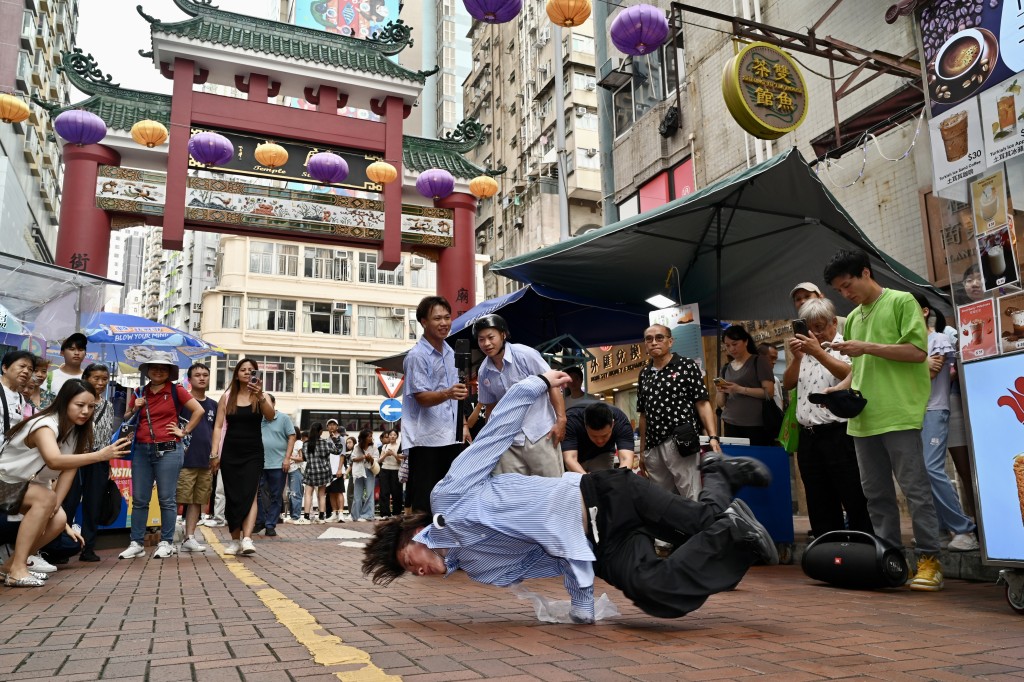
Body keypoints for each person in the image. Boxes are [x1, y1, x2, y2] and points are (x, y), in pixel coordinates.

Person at [362, 371, 778, 623]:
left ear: (411, 538)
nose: (417, 573)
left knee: (699, 524)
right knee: (655, 594)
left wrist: (535, 385)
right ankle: (726, 504)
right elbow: (549, 554)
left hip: (603, 495)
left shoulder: (448, 498)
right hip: (599, 542)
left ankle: (721, 491)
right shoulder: (477, 567)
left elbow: (494, 436)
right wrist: (581, 605)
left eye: (406, 563)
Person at [824, 249, 944, 591]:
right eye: (840, 291)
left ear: (866, 273)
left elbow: (918, 353)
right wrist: (840, 389)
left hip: (900, 413)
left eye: (848, 285)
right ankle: (891, 562)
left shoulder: (902, 301)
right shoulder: (856, 316)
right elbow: (860, 369)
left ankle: (929, 561)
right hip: (863, 417)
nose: (846, 294)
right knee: (875, 495)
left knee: (915, 489)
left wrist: (867, 347)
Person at [0, 380, 130, 585]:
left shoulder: (77, 431)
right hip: (4, 481)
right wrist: (100, 455)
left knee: (60, 519)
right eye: (80, 405)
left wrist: (54, 510)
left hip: (23, 488)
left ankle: (11, 565)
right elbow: (54, 460)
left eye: (91, 407)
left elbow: (68, 472)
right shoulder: (45, 424)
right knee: (46, 499)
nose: (86, 411)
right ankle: (18, 569)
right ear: (64, 402)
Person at [782, 297, 872, 540]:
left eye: (820, 327)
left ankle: (864, 548)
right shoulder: (806, 351)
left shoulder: (845, 347)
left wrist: (818, 352)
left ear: (834, 323)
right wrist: (799, 357)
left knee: (853, 494)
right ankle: (828, 551)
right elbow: (788, 383)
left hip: (840, 433)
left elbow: (851, 374)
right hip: (809, 436)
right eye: (810, 328)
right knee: (818, 497)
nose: (815, 334)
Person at [119, 353, 205, 560]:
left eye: (163, 368)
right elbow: (126, 417)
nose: (158, 371)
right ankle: (136, 542)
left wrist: (183, 432)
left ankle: (166, 542)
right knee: (139, 499)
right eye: (154, 367)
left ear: (169, 373)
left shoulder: (176, 390)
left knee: (166, 499)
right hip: (141, 449)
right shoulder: (140, 391)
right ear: (147, 370)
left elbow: (198, 410)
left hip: (168, 449)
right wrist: (134, 408)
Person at [914, 293, 979, 552]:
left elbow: (931, 373)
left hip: (935, 409)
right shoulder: (909, 343)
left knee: (932, 469)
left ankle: (964, 529)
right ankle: (937, 530)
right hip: (913, 413)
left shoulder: (938, 339)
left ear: (925, 311)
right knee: (920, 475)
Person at [636, 324, 721, 501]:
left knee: (691, 496)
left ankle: (696, 529)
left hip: (681, 440)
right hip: (653, 445)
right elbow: (643, 414)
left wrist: (713, 437)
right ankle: (671, 530)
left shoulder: (686, 366)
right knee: (661, 499)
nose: (654, 342)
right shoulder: (644, 374)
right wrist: (642, 450)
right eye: (649, 339)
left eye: (659, 337)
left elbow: (703, 403)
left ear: (670, 341)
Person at [475, 314, 566, 477]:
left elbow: (554, 384)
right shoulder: (483, 372)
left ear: (503, 334)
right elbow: (490, 407)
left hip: (541, 433)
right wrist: (491, 439)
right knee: (513, 492)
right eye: (481, 339)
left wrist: (561, 420)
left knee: (551, 488)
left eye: (491, 337)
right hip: (508, 440)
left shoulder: (525, 354)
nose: (486, 343)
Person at [402, 296, 468, 515]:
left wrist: (464, 422)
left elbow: (455, 396)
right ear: (423, 322)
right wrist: (448, 393)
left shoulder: (451, 353)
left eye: (447, 317)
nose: (444, 323)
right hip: (426, 440)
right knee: (425, 499)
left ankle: (443, 545)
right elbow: (421, 397)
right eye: (437, 318)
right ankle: (420, 545)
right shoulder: (417, 356)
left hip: (451, 436)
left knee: (448, 496)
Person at [209, 357, 275, 556]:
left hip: (253, 452)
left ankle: (247, 539)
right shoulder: (227, 397)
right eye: (243, 370)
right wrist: (214, 454)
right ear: (237, 374)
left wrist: (261, 395)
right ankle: (234, 540)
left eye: (251, 370)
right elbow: (218, 426)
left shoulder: (261, 397)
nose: (247, 373)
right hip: (230, 452)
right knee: (233, 496)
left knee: (250, 494)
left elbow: (270, 416)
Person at [62, 363, 119, 562]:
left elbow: (107, 434)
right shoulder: (73, 401)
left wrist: (108, 461)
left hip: (99, 460)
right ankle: (60, 547)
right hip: (76, 458)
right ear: (85, 378)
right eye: (96, 378)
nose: (101, 382)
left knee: (93, 505)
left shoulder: (109, 406)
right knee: (68, 503)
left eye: (105, 379)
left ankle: (88, 548)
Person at [175, 363, 218, 554]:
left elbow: (217, 432)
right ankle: (167, 537)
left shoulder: (213, 405)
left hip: (205, 461)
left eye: (205, 375)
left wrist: (215, 456)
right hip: (183, 460)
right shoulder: (182, 402)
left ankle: (189, 537)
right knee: (176, 498)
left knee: (196, 501)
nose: (202, 378)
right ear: (189, 379)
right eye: (197, 375)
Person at [716, 326, 777, 447]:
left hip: (756, 425)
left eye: (735, 344)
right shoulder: (725, 368)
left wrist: (739, 389)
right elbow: (720, 403)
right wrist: (720, 390)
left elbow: (769, 392)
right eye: (727, 346)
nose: (731, 349)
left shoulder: (759, 361)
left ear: (746, 342)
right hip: (730, 423)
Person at [256, 394, 295, 537]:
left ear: (273, 403)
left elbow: (292, 437)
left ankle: (270, 525)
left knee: (275, 496)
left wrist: (287, 458)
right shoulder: (258, 419)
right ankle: (260, 520)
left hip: (278, 464)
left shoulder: (284, 418)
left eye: (267, 402)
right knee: (256, 494)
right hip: (259, 464)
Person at [562, 402, 635, 474]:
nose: (600, 441)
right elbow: (570, 458)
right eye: (594, 436)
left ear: (612, 424)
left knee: (603, 480)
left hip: (603, 453)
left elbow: (626, 459)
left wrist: (620, 478)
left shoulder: (621, 422)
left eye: (605, 435)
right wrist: (587, 479)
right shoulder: (571, 420)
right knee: (578, 482)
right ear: (585, 426)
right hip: (577, 454)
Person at [297, 422, 331, 524]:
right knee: (321, 495)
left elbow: (305, 458)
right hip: (323, 472)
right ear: (321, 432)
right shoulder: (325, 443)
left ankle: (306, 517)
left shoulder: (306, 444)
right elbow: (337, 451)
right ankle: (321, 518)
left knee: (308, 494)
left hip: (311, 471)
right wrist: (334, 439)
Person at [1, 350, 33, 447]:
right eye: (22, 366)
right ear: (5, 368)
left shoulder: (20, 398)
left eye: (30, 369)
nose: (26, 371)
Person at [350, 428, 377, 522]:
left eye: (371, 436)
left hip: (369, 470)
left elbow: (376, 460)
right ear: (364, 437)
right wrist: (363, 457)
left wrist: (370, 459)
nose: (371, 438)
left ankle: (368, 515)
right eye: (369, 436)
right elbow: (353, 458)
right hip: (358, 471)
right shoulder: (357, 447)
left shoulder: (374, 447)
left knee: (369, 494)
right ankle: (355, 516)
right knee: (357, 495)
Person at [48, 332, 88, 396]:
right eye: (72, 349)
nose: (77, 353)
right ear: (62, 353)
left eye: (80, 349)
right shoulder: (49, 377)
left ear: (85, 354)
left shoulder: (88, 379)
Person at [324, 418, 347, 522]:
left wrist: (339, 469)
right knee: (331, 493)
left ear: (337, 427)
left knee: (339, 492)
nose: (332, 426)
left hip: (338, 470)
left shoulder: (341, 439)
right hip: (329, 470)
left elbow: (342, 455)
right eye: (330, 425)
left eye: (334, 424)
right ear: (327, 427)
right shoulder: (327, 440)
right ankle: (334, 513)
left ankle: (341, 513)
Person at [377, 428, 403, 518]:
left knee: (397, 492)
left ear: (397, 436)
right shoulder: (384, 446)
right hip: (384, 470)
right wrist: (386, 454)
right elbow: (379, 461)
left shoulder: (400, 446)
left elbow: (400, 462)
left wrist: (395, 455)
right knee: (384, 492)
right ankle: (385, 514)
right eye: (390, 435)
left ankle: (396, 513)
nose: (392, 436)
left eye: (394, 435)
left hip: (396, 470)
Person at [283, 428, 305, 523]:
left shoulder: (299, 443)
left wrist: (288, 457)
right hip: (290, 470)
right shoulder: (290, 443)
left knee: (295, 494)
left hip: (296, 470)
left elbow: (302, 457)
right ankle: (293, 516)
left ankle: (296, 517)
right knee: (291, 494)